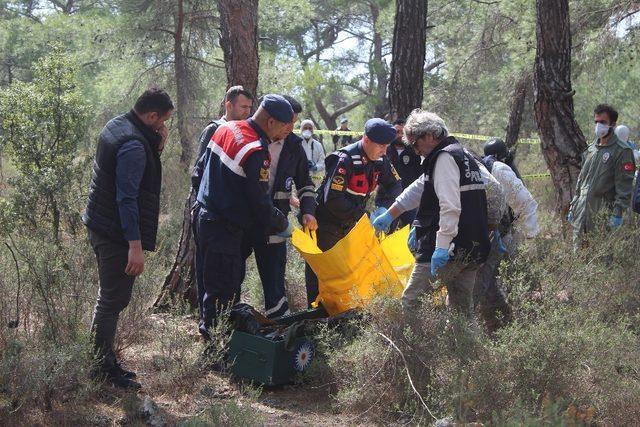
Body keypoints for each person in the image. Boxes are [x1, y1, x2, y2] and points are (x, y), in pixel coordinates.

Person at [83, 88, 174, 389]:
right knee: (112, 299)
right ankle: (100, 369)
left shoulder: (117, 124)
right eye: (162, 122)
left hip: (102, 224)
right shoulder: (134, 146)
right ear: (150, 116)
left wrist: (156, 147)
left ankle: (102, 361)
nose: (163, 128)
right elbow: (127, 198)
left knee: (109, 298)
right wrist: (135, 246)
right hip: (116, 233)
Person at [191, 94, 293, 340]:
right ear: (271, 122)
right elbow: (258, 201)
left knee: (209, 285)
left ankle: (211, 334)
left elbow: (199, 172)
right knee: (223, 293)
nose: (283, 134)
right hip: (224, 229)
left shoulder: (227, 128)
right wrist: (281, 221)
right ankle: (216, 349)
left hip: (203, 217)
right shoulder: (256, 150)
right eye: (283, 128)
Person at [371, 110, 490, 319]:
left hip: (449, 248)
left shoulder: (444, 158)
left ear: (429, 136)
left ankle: (414, 351)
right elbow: (420, 187)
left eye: (415, 143)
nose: (415, 151)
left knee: (411, 302)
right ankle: (463, 350)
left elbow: (450, 206)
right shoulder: (461, 154)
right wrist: (391, 214)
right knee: (461, 312)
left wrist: (442, 247)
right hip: (473, 246)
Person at [305, 118, 402, 306]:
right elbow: (333, 200)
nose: (385, 150)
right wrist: (362, 216)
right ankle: (314, 315)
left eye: (387, 146)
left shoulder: (380, 159)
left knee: (347, 272)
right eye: (381, 146)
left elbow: (395, 185)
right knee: (323, 272)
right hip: (327, 224)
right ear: (366, 140)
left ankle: (340, 312)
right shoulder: (345, 159)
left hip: (351, 225)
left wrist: (383, 208)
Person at [242, 96, 318, 318]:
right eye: (287, 123)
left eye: (294, 122)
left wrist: (308, 211)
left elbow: (305, 184)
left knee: (274, 278)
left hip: (276, 224)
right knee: (233, 275)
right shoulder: (252, 139)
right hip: (244, 220)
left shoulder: (294, 146)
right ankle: (229, 325)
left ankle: (277, 326)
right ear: (274, 120)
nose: (290, 128)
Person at [475, 140, 540, 332]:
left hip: (505, 233)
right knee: (492, 280)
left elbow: (526, 203)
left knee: (513, 276)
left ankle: (525, 319)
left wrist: (529, 237)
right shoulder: (477, 168)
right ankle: (503, 322)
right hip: (489, 234)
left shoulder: (500, 170)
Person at [568, 104, 635, 249]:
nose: (598, 126)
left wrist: (617, 214)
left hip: (602, 215)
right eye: (596, 122)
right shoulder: (591, 149)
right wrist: (574, 205)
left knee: (600, 262)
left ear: (612, 124)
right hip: (581, 214)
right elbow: (581, 180)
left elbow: (624, 187)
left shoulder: (622, 151)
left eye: (603, 122)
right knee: (578, 259)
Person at [375, 119, 423, 230]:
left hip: (409, 200)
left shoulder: (414, 152)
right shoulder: (384, 150)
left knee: (412, 231)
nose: (400, 135)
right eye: (397, 132)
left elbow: (421, 176)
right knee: (385, 232)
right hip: (387, 199)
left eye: (403, 132)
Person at [195, 85, 254, 164]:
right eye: (243, 107)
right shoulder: (213, 129)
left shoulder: (247, 133)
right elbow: (199, 168)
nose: (248, 112)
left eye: (249, 107)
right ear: (229, 106)